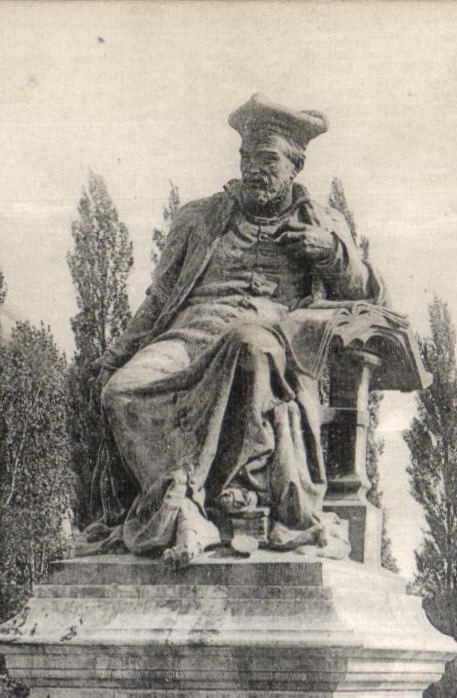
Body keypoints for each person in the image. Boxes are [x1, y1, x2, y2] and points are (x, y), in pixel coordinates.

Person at [86, 94, 385, 563]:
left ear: (294, 166)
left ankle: (234, 503)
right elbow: (160, 298)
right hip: (188, 336)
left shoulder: (322, 221)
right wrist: (118, 352)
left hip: (269, 341)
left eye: (267, 160)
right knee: (120, 391)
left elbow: (366, 291)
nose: (253, 170)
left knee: (251, 345)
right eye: (246, 158)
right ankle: (182, 508)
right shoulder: (200, 218)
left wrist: (329, 252)